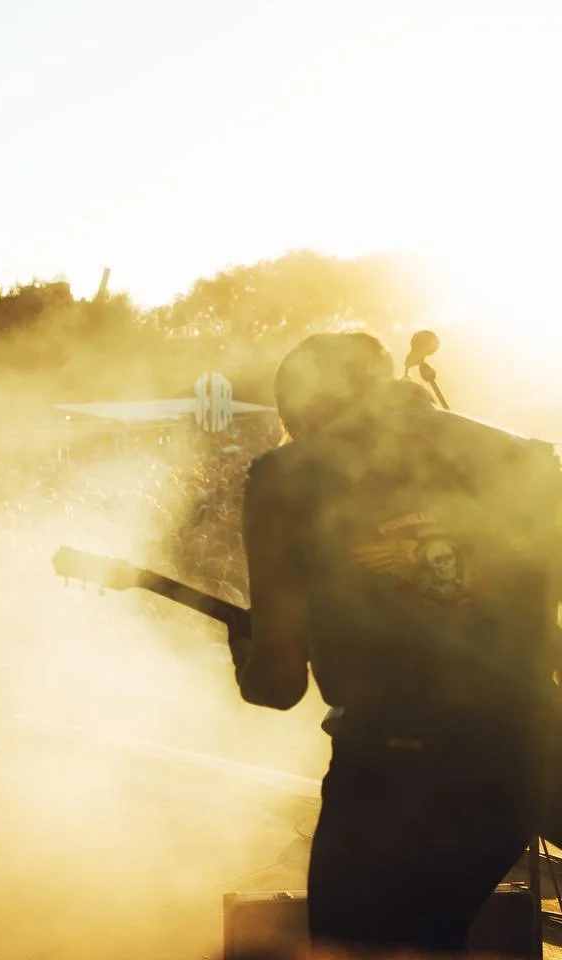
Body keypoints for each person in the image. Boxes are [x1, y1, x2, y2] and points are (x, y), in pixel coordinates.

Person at [235, 330, 561, 955]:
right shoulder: (524, 457)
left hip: (389, 774)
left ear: (302, 407)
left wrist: (244, 652)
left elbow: (277, 687)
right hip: (521, 761)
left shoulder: (287, 478)